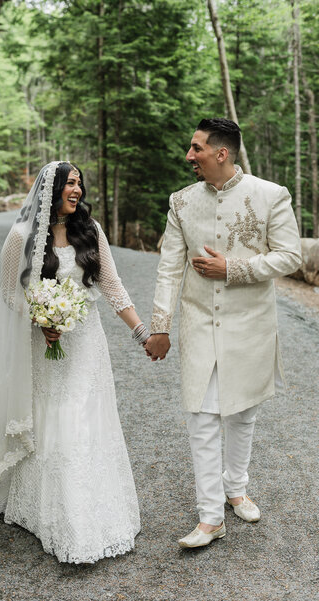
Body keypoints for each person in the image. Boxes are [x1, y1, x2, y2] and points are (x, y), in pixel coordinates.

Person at [0, 161, 148, 563]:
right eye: (70, 182)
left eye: (79, 183)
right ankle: (52, 511)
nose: (78, 189)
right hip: (43, 346)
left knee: (86, 416)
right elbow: (7, 293)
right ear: (51, 189)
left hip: (87, 344)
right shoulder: (21, 236)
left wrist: (141, 331)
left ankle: (91, 508)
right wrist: (39, 320)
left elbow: (111, 284)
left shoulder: (91, 231)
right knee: (54, 416)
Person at [145, 118, 302, 548]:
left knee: (241, 412)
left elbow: (290, 256)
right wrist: (159, 327)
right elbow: (168, 267)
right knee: (200, 414)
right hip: (198, 320)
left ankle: (237, 488)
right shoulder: (180, 202)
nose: (188, 155)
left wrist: (232, 268)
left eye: (196, 148)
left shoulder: (271, 196)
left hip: (250, 322)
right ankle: (210, 515)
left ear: (222, 153)